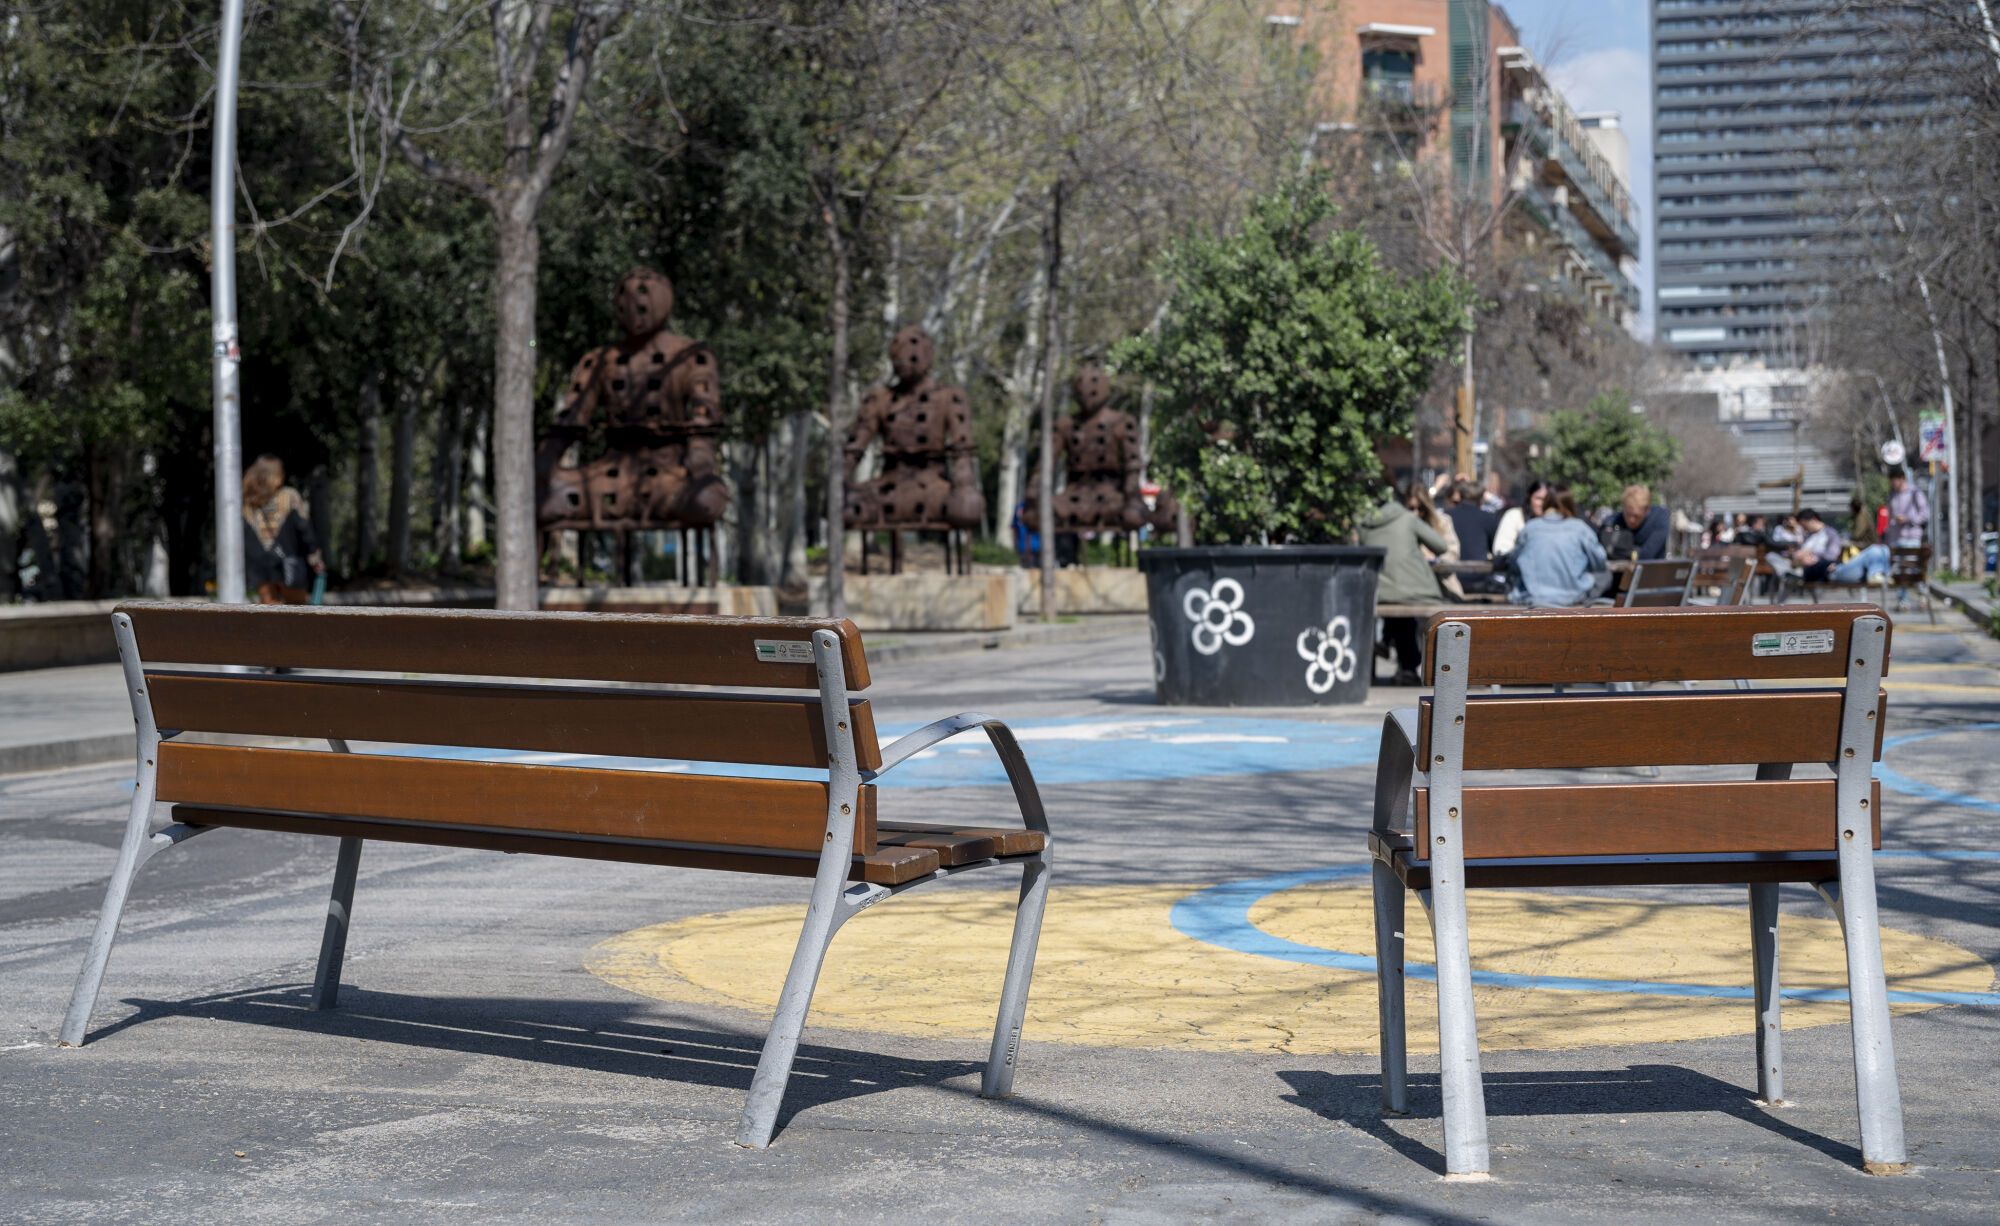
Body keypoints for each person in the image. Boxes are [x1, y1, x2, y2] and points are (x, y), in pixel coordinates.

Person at [1359, 482, 1449, 684]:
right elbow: (1441, 546)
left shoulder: (1364, 524)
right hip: (1416, 590)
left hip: (1380, 591)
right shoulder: (1408, 520)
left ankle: (1390, 644)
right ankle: (1408, 665)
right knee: (1405, 607)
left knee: (1399, 611)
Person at [1507, 484, 1609, 607]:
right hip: (1573, 597)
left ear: (1546, 503)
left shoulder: (1530, 527)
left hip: (1533, 597)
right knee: (1606, 576)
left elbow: (1513, 561)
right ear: (1570, 504)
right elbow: (1600, 561)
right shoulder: (1580, 528)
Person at [242, 455, 323, 602]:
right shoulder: (289, 496)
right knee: (296, 614)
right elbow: (303, 527)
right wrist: (315, 556)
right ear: (275, 475)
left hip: (260, 568)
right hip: (288, 562)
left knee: (270, 617)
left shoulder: (248, 503)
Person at [1602, 484, 1670, 561]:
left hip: (1653, 571)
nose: (1631, 520)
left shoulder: (1659, 517)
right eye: (1628, 515)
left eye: (1636, 516)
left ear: (1647, 510)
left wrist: (1624, 550)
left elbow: (1647, 554)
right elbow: (1606, 548)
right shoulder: (1615, 520)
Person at [1788, 507, 1847, 582]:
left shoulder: (1830, 534)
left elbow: (1832, 555)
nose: (1804, 528)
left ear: (1814, 520)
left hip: (1820, 566)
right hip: (1803, 567)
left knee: (1827, 565)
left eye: (1804, 525)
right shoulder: (1808, 536)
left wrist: (1812, 555)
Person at [1492, 480, 1546, 558]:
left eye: (1547, 499)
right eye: (1539, 498)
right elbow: (1502, 549)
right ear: (1529, 497)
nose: (1543, 504)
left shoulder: (1557, 521)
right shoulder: (1515, 515)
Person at [1887, 471, 1929, 548]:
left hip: (1911, 539)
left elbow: (1924, 514)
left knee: (1910, 560)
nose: (1893, 484)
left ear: (1902, 479)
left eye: (1894, 481)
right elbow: (1890, 516)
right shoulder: (1892, 495)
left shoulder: (1915, 493)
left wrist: (1907, 519)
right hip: (1894, 539)